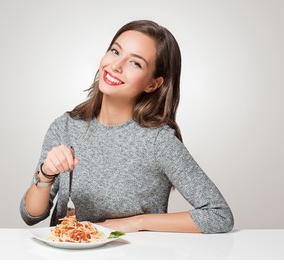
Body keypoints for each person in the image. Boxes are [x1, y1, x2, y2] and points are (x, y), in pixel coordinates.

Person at [20, 20, 234, 233]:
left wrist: (136, 223)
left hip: (136, 262)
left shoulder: (159, 141)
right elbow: (31, 215)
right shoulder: (65, 127)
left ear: (153, 84)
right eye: (115, 51)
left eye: (135, 63)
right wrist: (46, 174)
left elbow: (219, 214)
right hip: (72, 261)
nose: (116, 66)